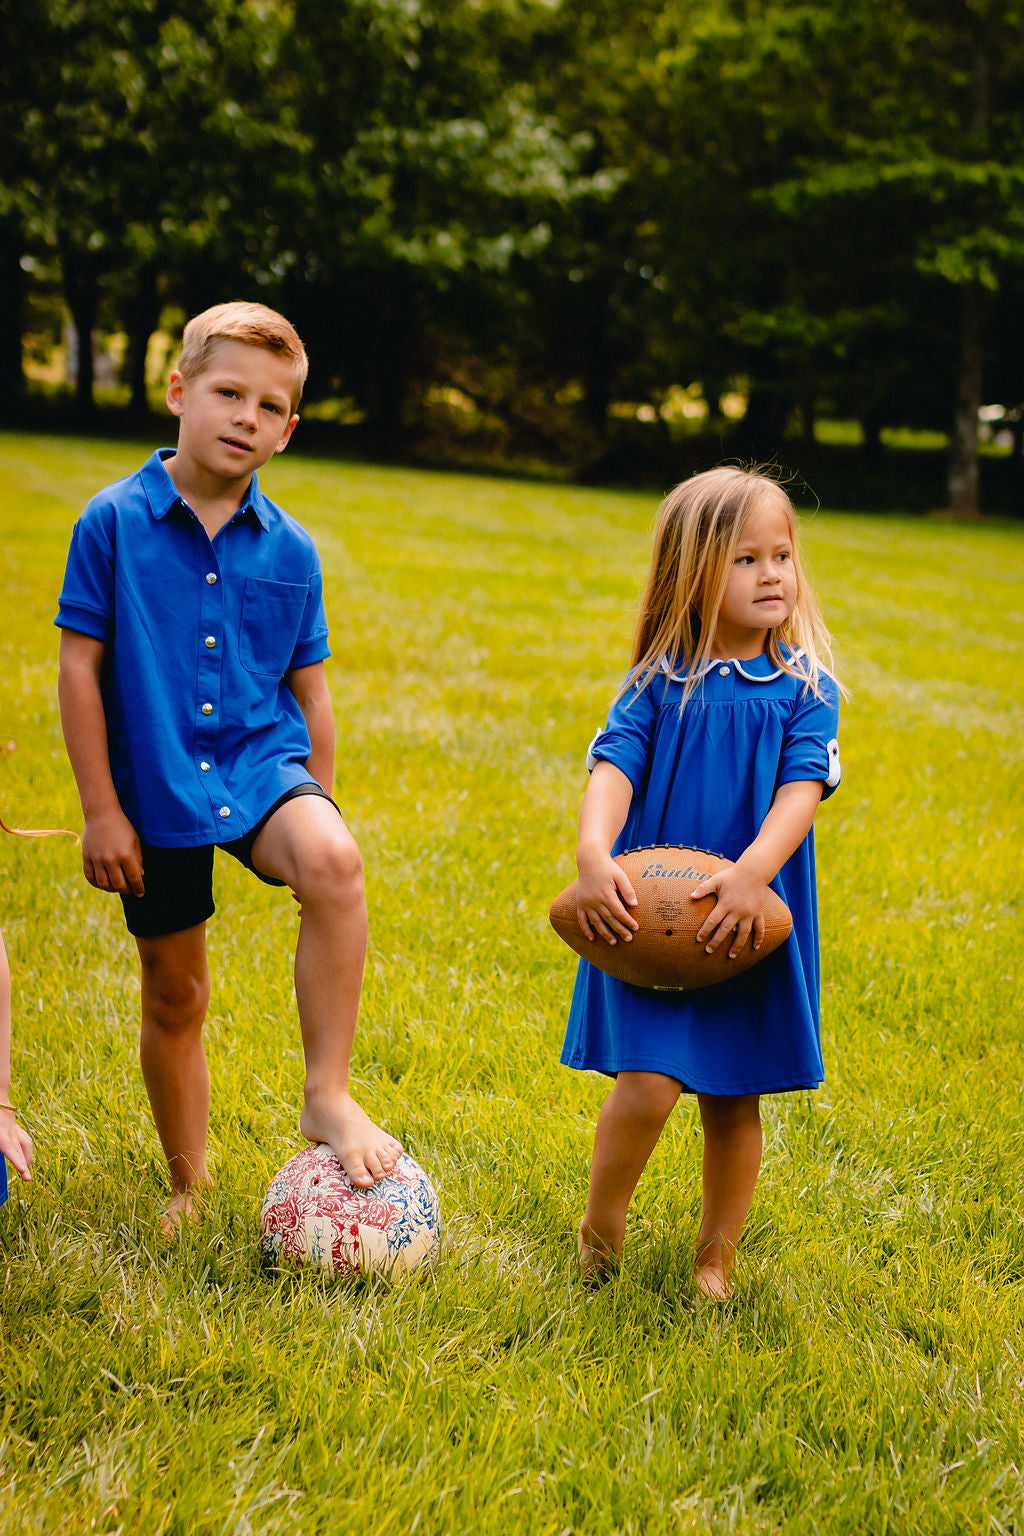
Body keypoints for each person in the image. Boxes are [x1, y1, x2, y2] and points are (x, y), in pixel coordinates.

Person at [55, 301, 402, 1232]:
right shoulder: (113, 523)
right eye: (228, 393)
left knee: (333, 862)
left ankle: (326, 1092)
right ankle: (188, 1183)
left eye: (270, 406)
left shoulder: (291, 548)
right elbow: (79, 671)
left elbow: (312, 691)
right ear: (179, 393)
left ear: (289, 430)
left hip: (258, 766)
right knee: (177, 992)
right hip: (154, 785)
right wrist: (101, 811)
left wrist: (317, 798)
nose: (246, 417)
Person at [561, 465, 841, 1298]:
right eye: (746, 560)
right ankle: (600, 1225)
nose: (772, 575)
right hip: (657, 917)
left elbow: (802, 792)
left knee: (733, 1098)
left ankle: (715, 1254)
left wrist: (756, 877)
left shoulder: (805, 692)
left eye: (781, 556)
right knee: (647, 1085)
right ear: (693, 574)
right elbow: (612, 768)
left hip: (746, 918)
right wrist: (592, 850)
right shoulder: (658, 684)